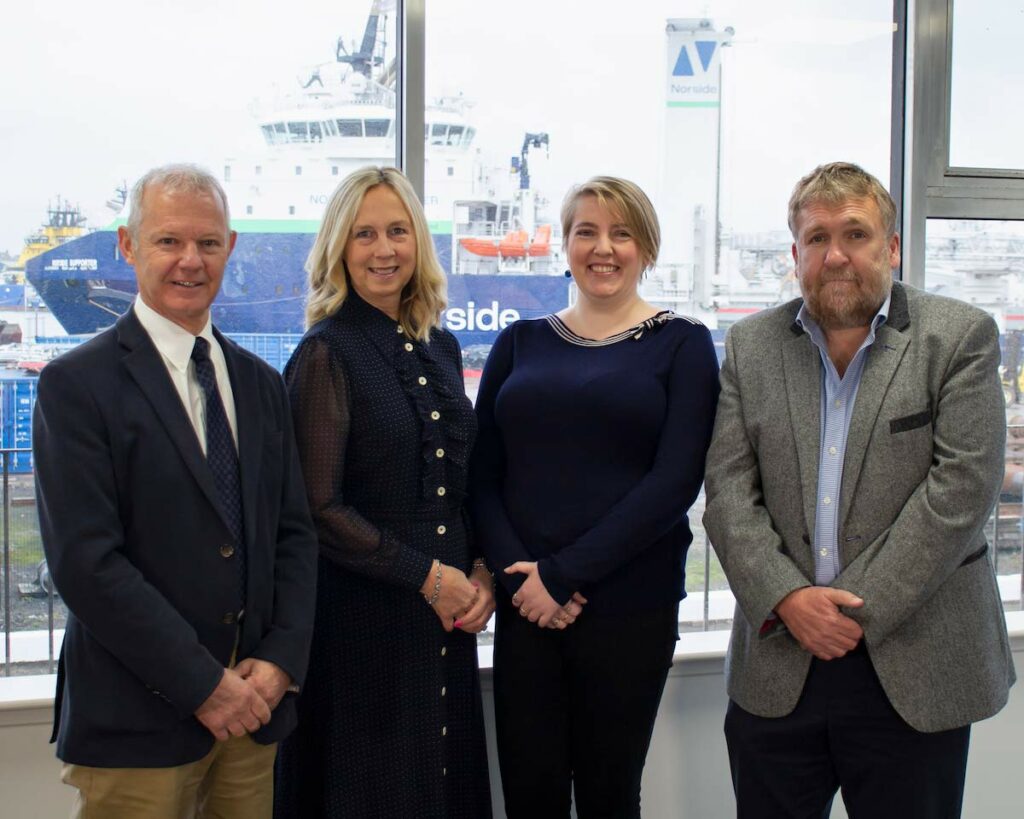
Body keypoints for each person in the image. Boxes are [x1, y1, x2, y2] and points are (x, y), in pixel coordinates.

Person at [703, 161, 1017, 818]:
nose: (836, 254)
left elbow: (960, 494)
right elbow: (728, 493)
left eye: (856, 234)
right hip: (779, 663)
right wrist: (789, 599)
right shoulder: (751, 345)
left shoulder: (957, 336)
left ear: (892, 247)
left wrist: (841, 613)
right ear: (796, 254)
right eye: (817, 238)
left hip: (916, 666)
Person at [33, 163, 319, 818]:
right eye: (168, 241)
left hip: (253, 715)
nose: (190, 261)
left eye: (208, 243)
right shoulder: (76, 386)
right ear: (129, 245)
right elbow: (87, 563)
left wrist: (279, 661)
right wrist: (204, 685)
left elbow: (294, 536)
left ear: (230, 247)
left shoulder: (259, 384)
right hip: (136, 725)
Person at [471, 176, 720, 818]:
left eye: (621, 232)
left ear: (646, 248)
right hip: (526, 606)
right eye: (587, 231)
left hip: (628, 608)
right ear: (566, 244)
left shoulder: (683, 344)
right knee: (530, 794)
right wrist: (521, 580)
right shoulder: (520, 341)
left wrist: (563, 575)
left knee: (609, 796)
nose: (602, 248)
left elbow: (673, 485)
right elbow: (482, 475)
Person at [273, 166, 494, 818]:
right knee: (376, 788)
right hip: (362, 621)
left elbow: (458, 482)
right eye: (365, 233)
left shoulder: (442, 347)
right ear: (340, 246)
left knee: (439, 780)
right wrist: (429, 576)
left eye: (398, 231)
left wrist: (477, 569)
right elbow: (318, 505)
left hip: (445, 614)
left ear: (419, 242)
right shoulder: (325, 354)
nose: (384, 248)